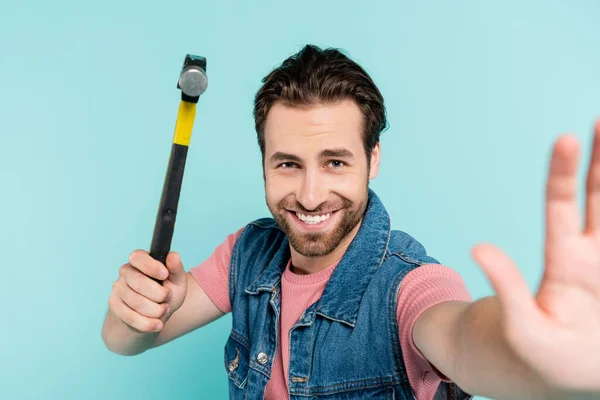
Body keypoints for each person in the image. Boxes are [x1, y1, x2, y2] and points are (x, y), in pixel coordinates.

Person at [101, 44, 600, 400]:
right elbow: (124, 340)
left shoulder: (410, 287)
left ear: (372, 159)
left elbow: (465, 337)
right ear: (264, 164)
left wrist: (539, 363)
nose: (311, 195)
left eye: (335, 162)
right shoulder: (246, 254)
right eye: (288, 163)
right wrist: (134, 310)